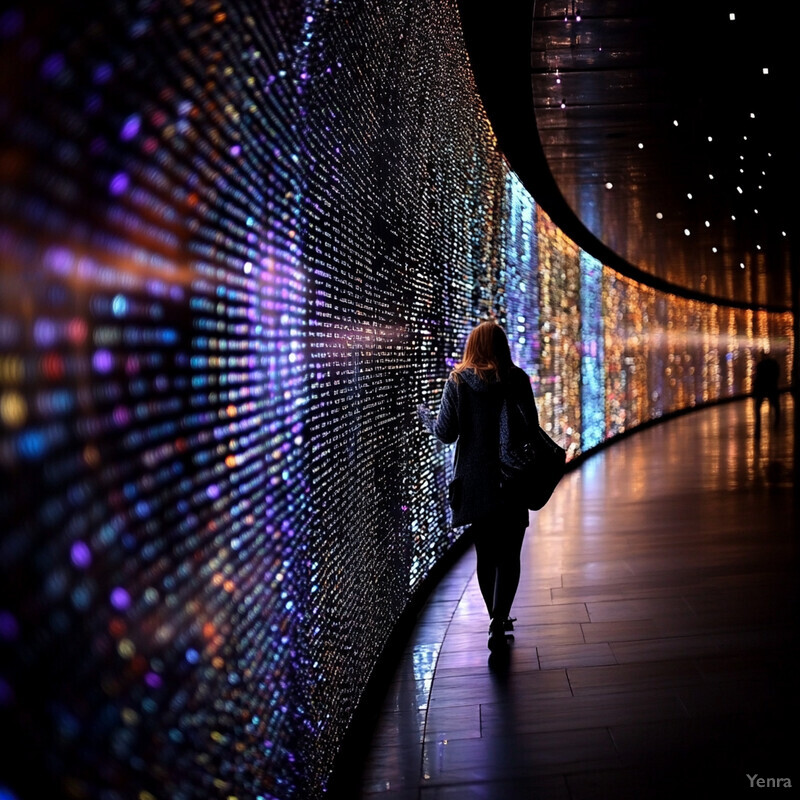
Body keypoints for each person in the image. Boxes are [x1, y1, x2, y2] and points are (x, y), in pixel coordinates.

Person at [417, 320, 538, 653]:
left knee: (486, 555)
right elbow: (532, 430)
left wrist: (425, 417)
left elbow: (446, 433)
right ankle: (501, 616)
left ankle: (494, 618)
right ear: (501, 346)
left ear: (472, 347)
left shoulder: (458, 382)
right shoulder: (517, 380)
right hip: (511, 480)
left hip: (474, 484)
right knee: (510, 554)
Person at [753, 349, 780, 436]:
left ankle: (758, 427)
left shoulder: (760, 365)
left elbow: (757, 377)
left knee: (757, 408)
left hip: (762, 388)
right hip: (771, 387)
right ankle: (776, 424)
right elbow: (777, 373)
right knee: (776, 406)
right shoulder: (773, 364)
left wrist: (755, 388)